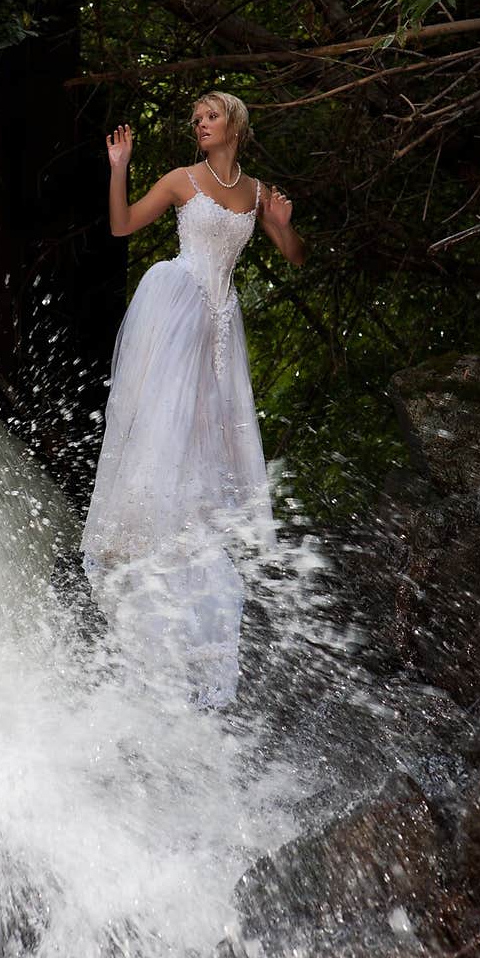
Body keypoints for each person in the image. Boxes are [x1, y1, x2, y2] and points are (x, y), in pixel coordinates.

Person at [80, 90, 306, 708]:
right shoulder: (182, 179)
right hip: (178, 301)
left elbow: (294, 257)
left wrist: (284, 229)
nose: (201, 126)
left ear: (234, 122)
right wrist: (120, 168)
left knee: (209, 432)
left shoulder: (257, 193)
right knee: (165, 422)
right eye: (196, 120)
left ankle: (189, 549)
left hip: (220, 321)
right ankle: (142, 534)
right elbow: (122, 225)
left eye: (211, 117)